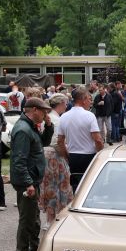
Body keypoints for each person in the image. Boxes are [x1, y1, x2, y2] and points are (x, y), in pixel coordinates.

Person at [9, 97, 52, 251]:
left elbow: (43, 143)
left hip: (32, 179)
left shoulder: (29, 127)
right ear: (34, 110)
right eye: (43, 111)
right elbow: (19, 160)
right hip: (27, 181)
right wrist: (28, 182)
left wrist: (49, 126)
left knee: (33, 218)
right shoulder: (23, 130)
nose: (45, 114)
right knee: (27, 219)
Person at [56, 87, 104, 190]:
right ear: (84, 99)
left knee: (74, 185)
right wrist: (100, 154)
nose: (90, 102)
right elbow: (98, 139)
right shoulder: (89, 116)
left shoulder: (64, 116)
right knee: (89, 185)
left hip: (72, 156)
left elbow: (60, 141)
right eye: (89, 99)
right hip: (88, 155)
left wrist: (66, 156)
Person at [40, 93, 72, 230]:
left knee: (48, 187)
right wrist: (67, 155)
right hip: (55, 155)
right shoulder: (58, 120)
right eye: (65, 103)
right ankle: (53, 218)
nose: (66, 106)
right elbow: (60, 142)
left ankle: (49, 218)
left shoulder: (48, 117)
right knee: (59, 187)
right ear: (60, 104)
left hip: (44, 154)